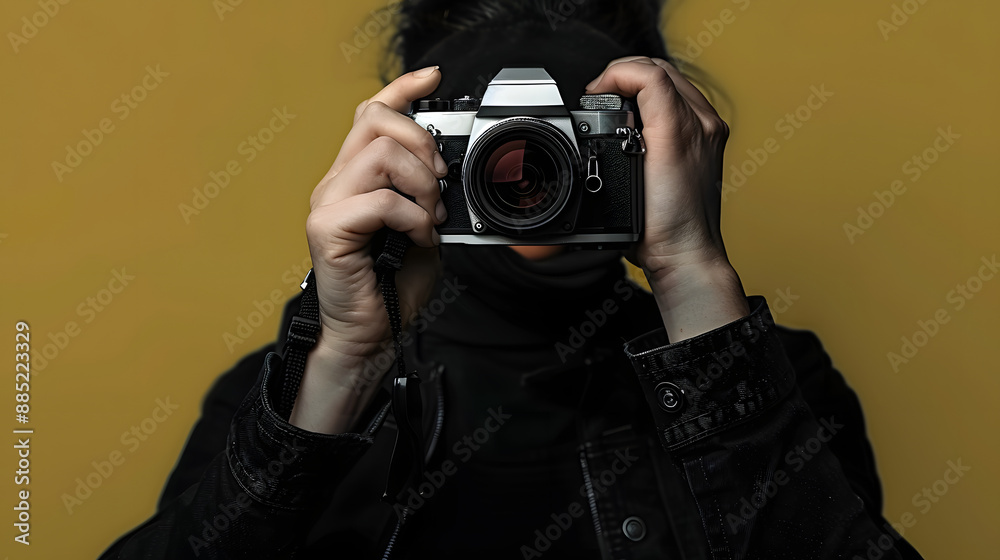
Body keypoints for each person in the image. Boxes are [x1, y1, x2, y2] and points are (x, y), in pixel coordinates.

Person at [100, 1, 924, 558]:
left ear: (658, 146)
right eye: (500, 145)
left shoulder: (779, 381)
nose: (536, 177)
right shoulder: (281, 402)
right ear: (424, 151)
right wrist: (341, 365)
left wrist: (696, 280)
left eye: (578, 141)